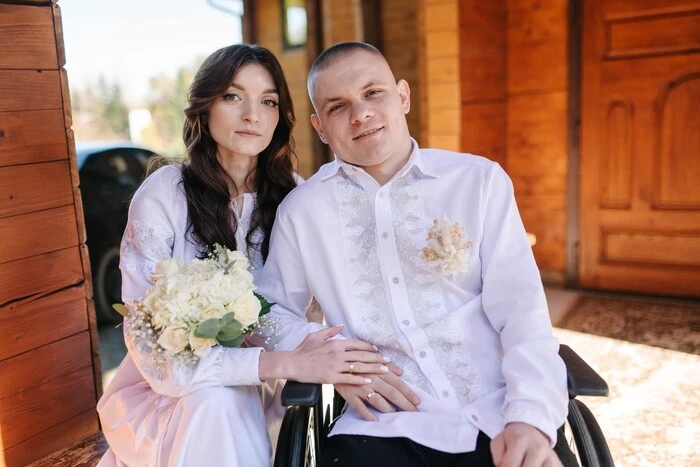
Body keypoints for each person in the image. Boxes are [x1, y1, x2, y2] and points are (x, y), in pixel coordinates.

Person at [256, 41, 576, 466]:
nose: (361, 114)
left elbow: (523, 315)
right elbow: (270, 311)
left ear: (402, 96)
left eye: (373, 93)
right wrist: (328, 361)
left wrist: (531, 419)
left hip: (498, 411)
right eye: (338, 106)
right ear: (320, 127)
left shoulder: (478, 182)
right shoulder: (303, 211)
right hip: (381, 424)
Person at [96, 43, 390, 467]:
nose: (252, 114)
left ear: (280, 116)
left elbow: (321, 303)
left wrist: (341, 363)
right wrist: (282, 362)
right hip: (170, 393)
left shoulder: (294, 195)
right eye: (233, 97)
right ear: (204, 106)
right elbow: (158, 359)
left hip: (271, 391)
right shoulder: (164, 195)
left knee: (227, 404)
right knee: (215, 403)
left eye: (268, 101)